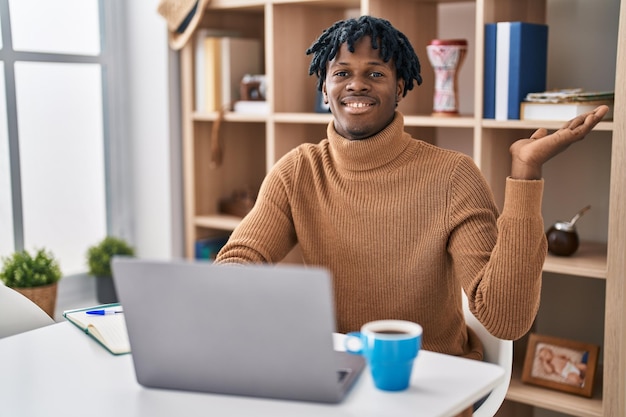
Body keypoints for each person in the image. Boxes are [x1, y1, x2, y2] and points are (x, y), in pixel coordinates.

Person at [215, 14, 607, 364]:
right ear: (324, 90)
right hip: (340, 373)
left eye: (375, 73)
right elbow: (240, 260)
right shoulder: (298, 170)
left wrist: (525, 174)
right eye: (341, 73)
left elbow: (505, 319)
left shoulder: (453, 175)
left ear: (400, 86)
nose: (356, 85)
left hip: (433, 376)